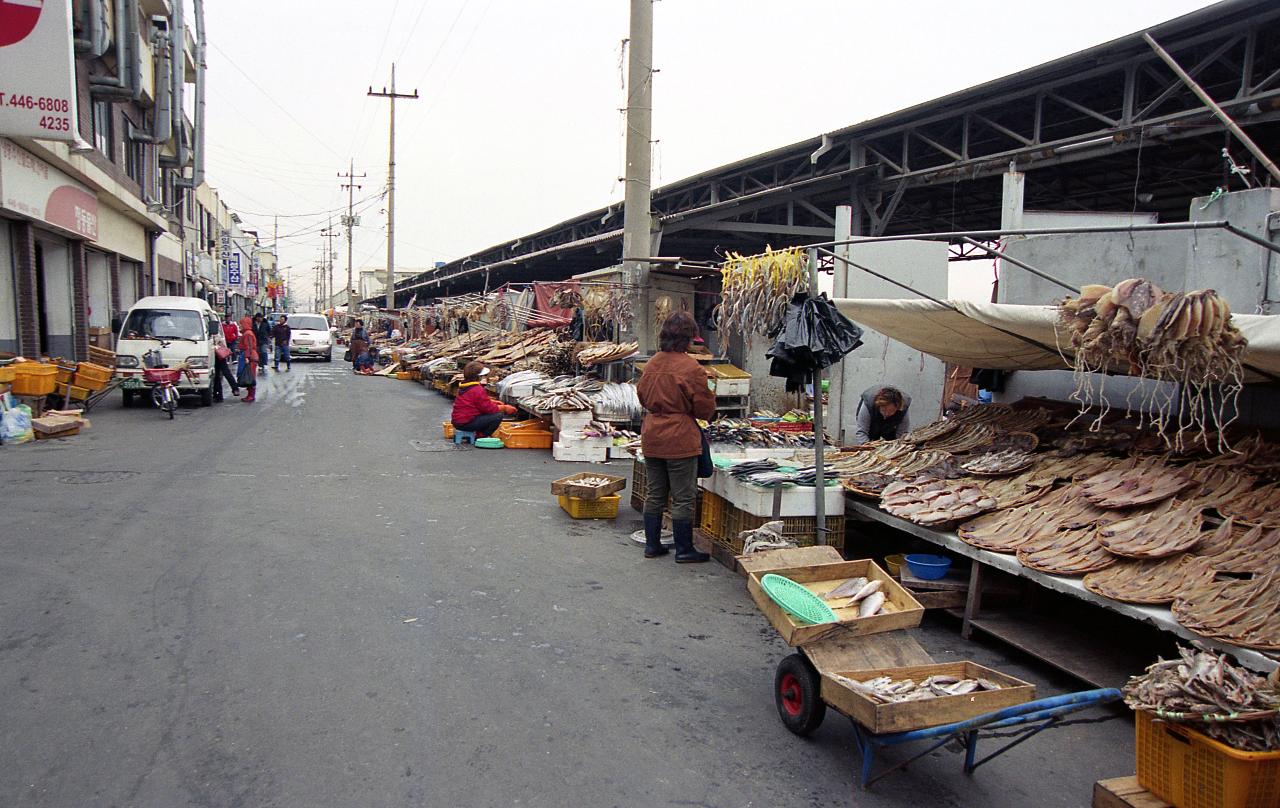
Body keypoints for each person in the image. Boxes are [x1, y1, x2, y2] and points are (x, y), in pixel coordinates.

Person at [636, 311, 716, 562]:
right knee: (683, 496)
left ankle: (652, 545)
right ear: (689, 337)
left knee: (655, 493)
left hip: (652, 434)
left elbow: (640, 395)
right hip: (679, 436)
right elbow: (704, 407)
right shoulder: (691, 367)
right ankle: (684, 549)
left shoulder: (652, 363)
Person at [451, 361, 516, 438]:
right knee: (497, 416)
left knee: (489, 414)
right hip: (466, 423)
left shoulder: (464, 386)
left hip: (457, 422)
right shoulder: (477, 389)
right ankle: (481, 436)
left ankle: (476, 433)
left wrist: (493, 402)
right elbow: (489, 409)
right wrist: (504, 408)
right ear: (478, 377)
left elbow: (476, 402)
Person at [212, 327, 239, 401]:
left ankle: (218, 395)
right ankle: (233, 389)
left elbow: (219, 342)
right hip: (219, 356)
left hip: (218, 356)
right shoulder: (217, 332)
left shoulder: (214, 334)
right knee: (223, 374)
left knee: (220, 375)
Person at [237, 316, 259, 403]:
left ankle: (251, 395)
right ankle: (250, 394)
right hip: (250, 356)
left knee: (250, 376)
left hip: (250, 357)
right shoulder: (247, 333)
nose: (240, 326)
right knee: (250, 375)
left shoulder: (248, 334)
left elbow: (249, 347)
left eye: (241, 324)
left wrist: (247, 357)